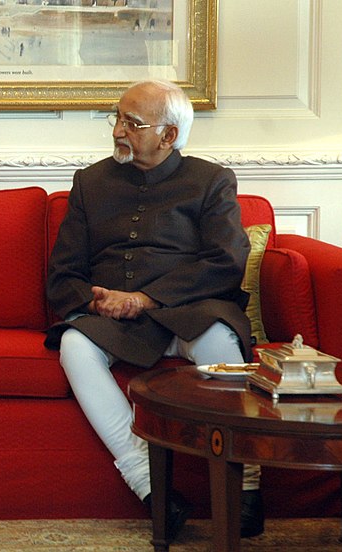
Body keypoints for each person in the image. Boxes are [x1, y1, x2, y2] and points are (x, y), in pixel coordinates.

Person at [45, 79, 264, 539]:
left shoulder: (211, 180)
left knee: (222, 342)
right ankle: (151, 487)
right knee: (73, 346)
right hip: (116, 318)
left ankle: (244, 487)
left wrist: (146, 298)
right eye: (117, 118)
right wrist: (94, 301)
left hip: (190, 309)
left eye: (132, 122)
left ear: (168, 135)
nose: (117, 131)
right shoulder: (91, 181)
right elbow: (63, 272)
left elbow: (226, 261)